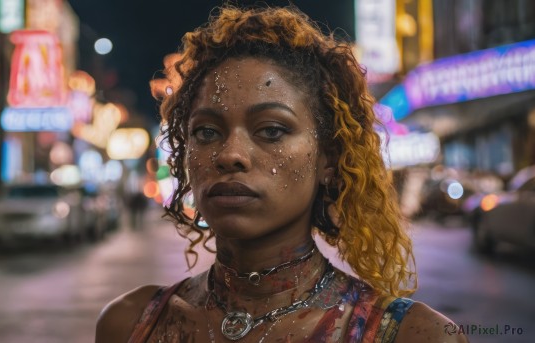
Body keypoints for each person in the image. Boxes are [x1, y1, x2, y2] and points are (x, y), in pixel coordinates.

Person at [96, 5, 468, 343]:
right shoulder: (130, 324)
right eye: (206, 132)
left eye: (271, 130)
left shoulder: (414, 336)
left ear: (328, 157)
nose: (229, 155)